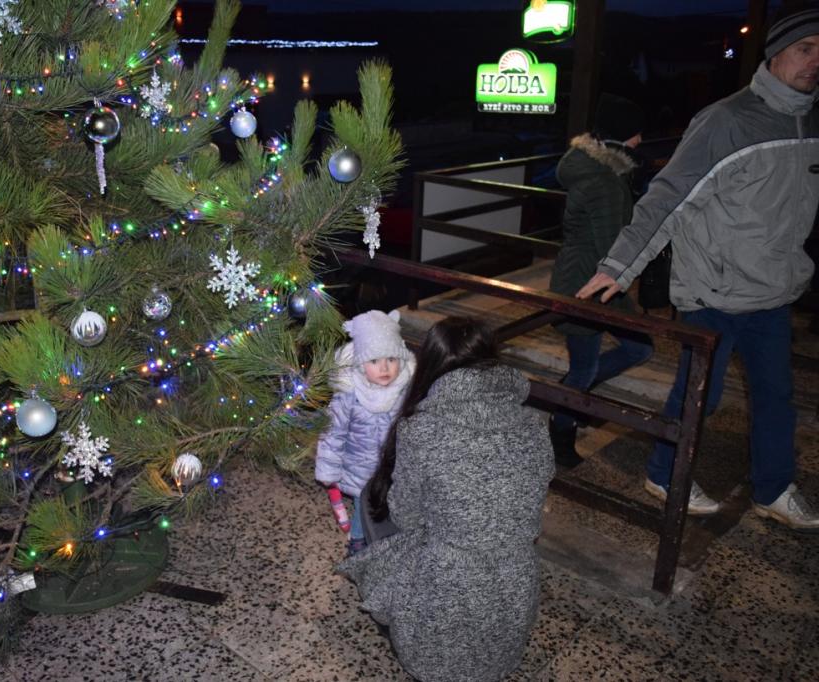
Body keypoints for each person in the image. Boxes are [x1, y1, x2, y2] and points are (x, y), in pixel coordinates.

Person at [576, 2, 819, 530]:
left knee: (777, 398)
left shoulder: (813, 120)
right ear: (777, 52)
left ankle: (774, 488)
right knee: (697, 396)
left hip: (774, 290)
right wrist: (619, 266)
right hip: (713, 288)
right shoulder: (727, 120)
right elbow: (667, 197)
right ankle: (665, 474)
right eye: (805, 48)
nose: (815, 61)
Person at [339, 317, 553, 682]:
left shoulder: (420, 429)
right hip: (513, 599)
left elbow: (405, 516)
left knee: (370, 500)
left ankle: (387, 595)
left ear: (431, 366)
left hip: (444, 600)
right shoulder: (535, 423)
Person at [548, 93, 654, 469]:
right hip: (587, 286)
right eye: (637, 133)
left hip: (593, 280)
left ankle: (570, 398)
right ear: (624, 136)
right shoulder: (605, 181)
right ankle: (561, 429)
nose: (641, 140)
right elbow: (613, 243)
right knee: (586, 367)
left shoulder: (597, 169)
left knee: (638, 349)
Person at [315, 309, 415, 556]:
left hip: (394, 466)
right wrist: (328, 469)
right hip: (360, 468)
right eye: (374, 361)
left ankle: (390, 537)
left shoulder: (405, 391)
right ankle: (358, 541)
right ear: (360, 365)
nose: (385, 368)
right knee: (365, 504)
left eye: (391, 359)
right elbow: (333, 435)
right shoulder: (348, 396)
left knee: (394, 502)